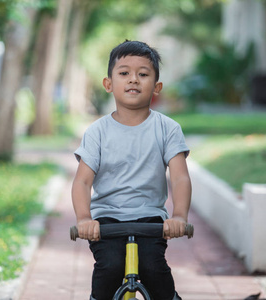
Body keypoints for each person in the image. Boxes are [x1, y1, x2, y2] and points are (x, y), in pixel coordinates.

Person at [71, 40, 192, 300]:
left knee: (153, 269)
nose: (133, 80)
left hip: (150, 219)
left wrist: (179, 216)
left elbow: (180, 177)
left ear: (156, 87)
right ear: (109, 84)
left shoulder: (168, 128)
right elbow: (82, 182)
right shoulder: (97, 132)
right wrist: (84, 219)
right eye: (124, 73)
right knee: (109, 267)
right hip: (106, 220)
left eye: (143, 74)